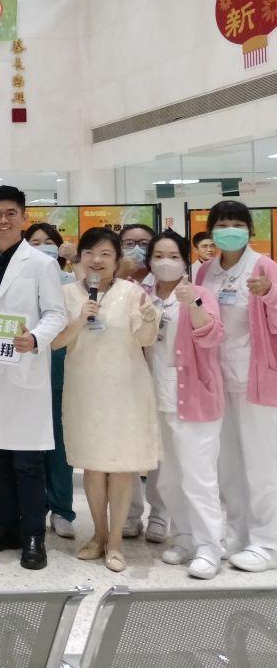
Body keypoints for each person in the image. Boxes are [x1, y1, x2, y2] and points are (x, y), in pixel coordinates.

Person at [0, 185, 66, 571]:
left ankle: (33, 534)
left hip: (23, 370)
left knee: (27, 460)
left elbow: (56, 314)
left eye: (10, 213)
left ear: (23, 217)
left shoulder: (41, 264)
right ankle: (5, 526)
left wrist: (35, 338)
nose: (3, 220)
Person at [52, 227, 160, 572]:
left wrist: (149, 319)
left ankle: (115, 542)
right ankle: (98, 535)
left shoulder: (132, 293)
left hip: (125, 391)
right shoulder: (67, 294)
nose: (96, 260)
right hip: (85, 390)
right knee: (93, 465)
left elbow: (145, 338)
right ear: (80, 257)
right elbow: (56, 342)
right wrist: (80, 320)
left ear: (116, 260)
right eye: (89, 253)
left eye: (105, 254)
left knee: (122, 466)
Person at [196, 200, 277, 572]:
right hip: (218, 380)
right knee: (227, 464)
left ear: (250, 230)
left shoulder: (264, 267)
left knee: (263, 464)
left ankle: (268, 542)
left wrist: (270, 293)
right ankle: (238, 534)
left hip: (256, 379)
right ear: (211, 231)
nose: (230, 230)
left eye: (237, 224)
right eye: (222, 223)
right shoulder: (205, 271)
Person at [146, 230, 225, 579]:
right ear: (150, 261)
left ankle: (210, 547)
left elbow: (213, 335)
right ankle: (184, 537)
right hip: (158, 398)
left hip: (195, 399)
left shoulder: (200, 294)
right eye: (159, 256)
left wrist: (192, 303)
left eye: (174, 256)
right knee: (168, 479)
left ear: (185, 260)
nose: (166, 263)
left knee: (199, 477)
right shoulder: (146, 297)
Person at [24, 223, 77, 540]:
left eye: (48, 242)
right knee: (29, 446)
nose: (42, 247)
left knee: (58, 444)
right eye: (34, 242)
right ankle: (33, 508)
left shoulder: (71, 282)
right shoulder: (21, 278)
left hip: (58, 366)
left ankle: (61, 509)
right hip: (25, 368)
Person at [115, 222, 167, 542]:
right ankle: (129, 513)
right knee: (126, 444)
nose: (136, 248)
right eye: (128, 242)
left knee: (160, 446)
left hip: (160, 372)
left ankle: (160, 513)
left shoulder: (165, 284)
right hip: (123, 374)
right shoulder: (112, 284)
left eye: (144, 243)